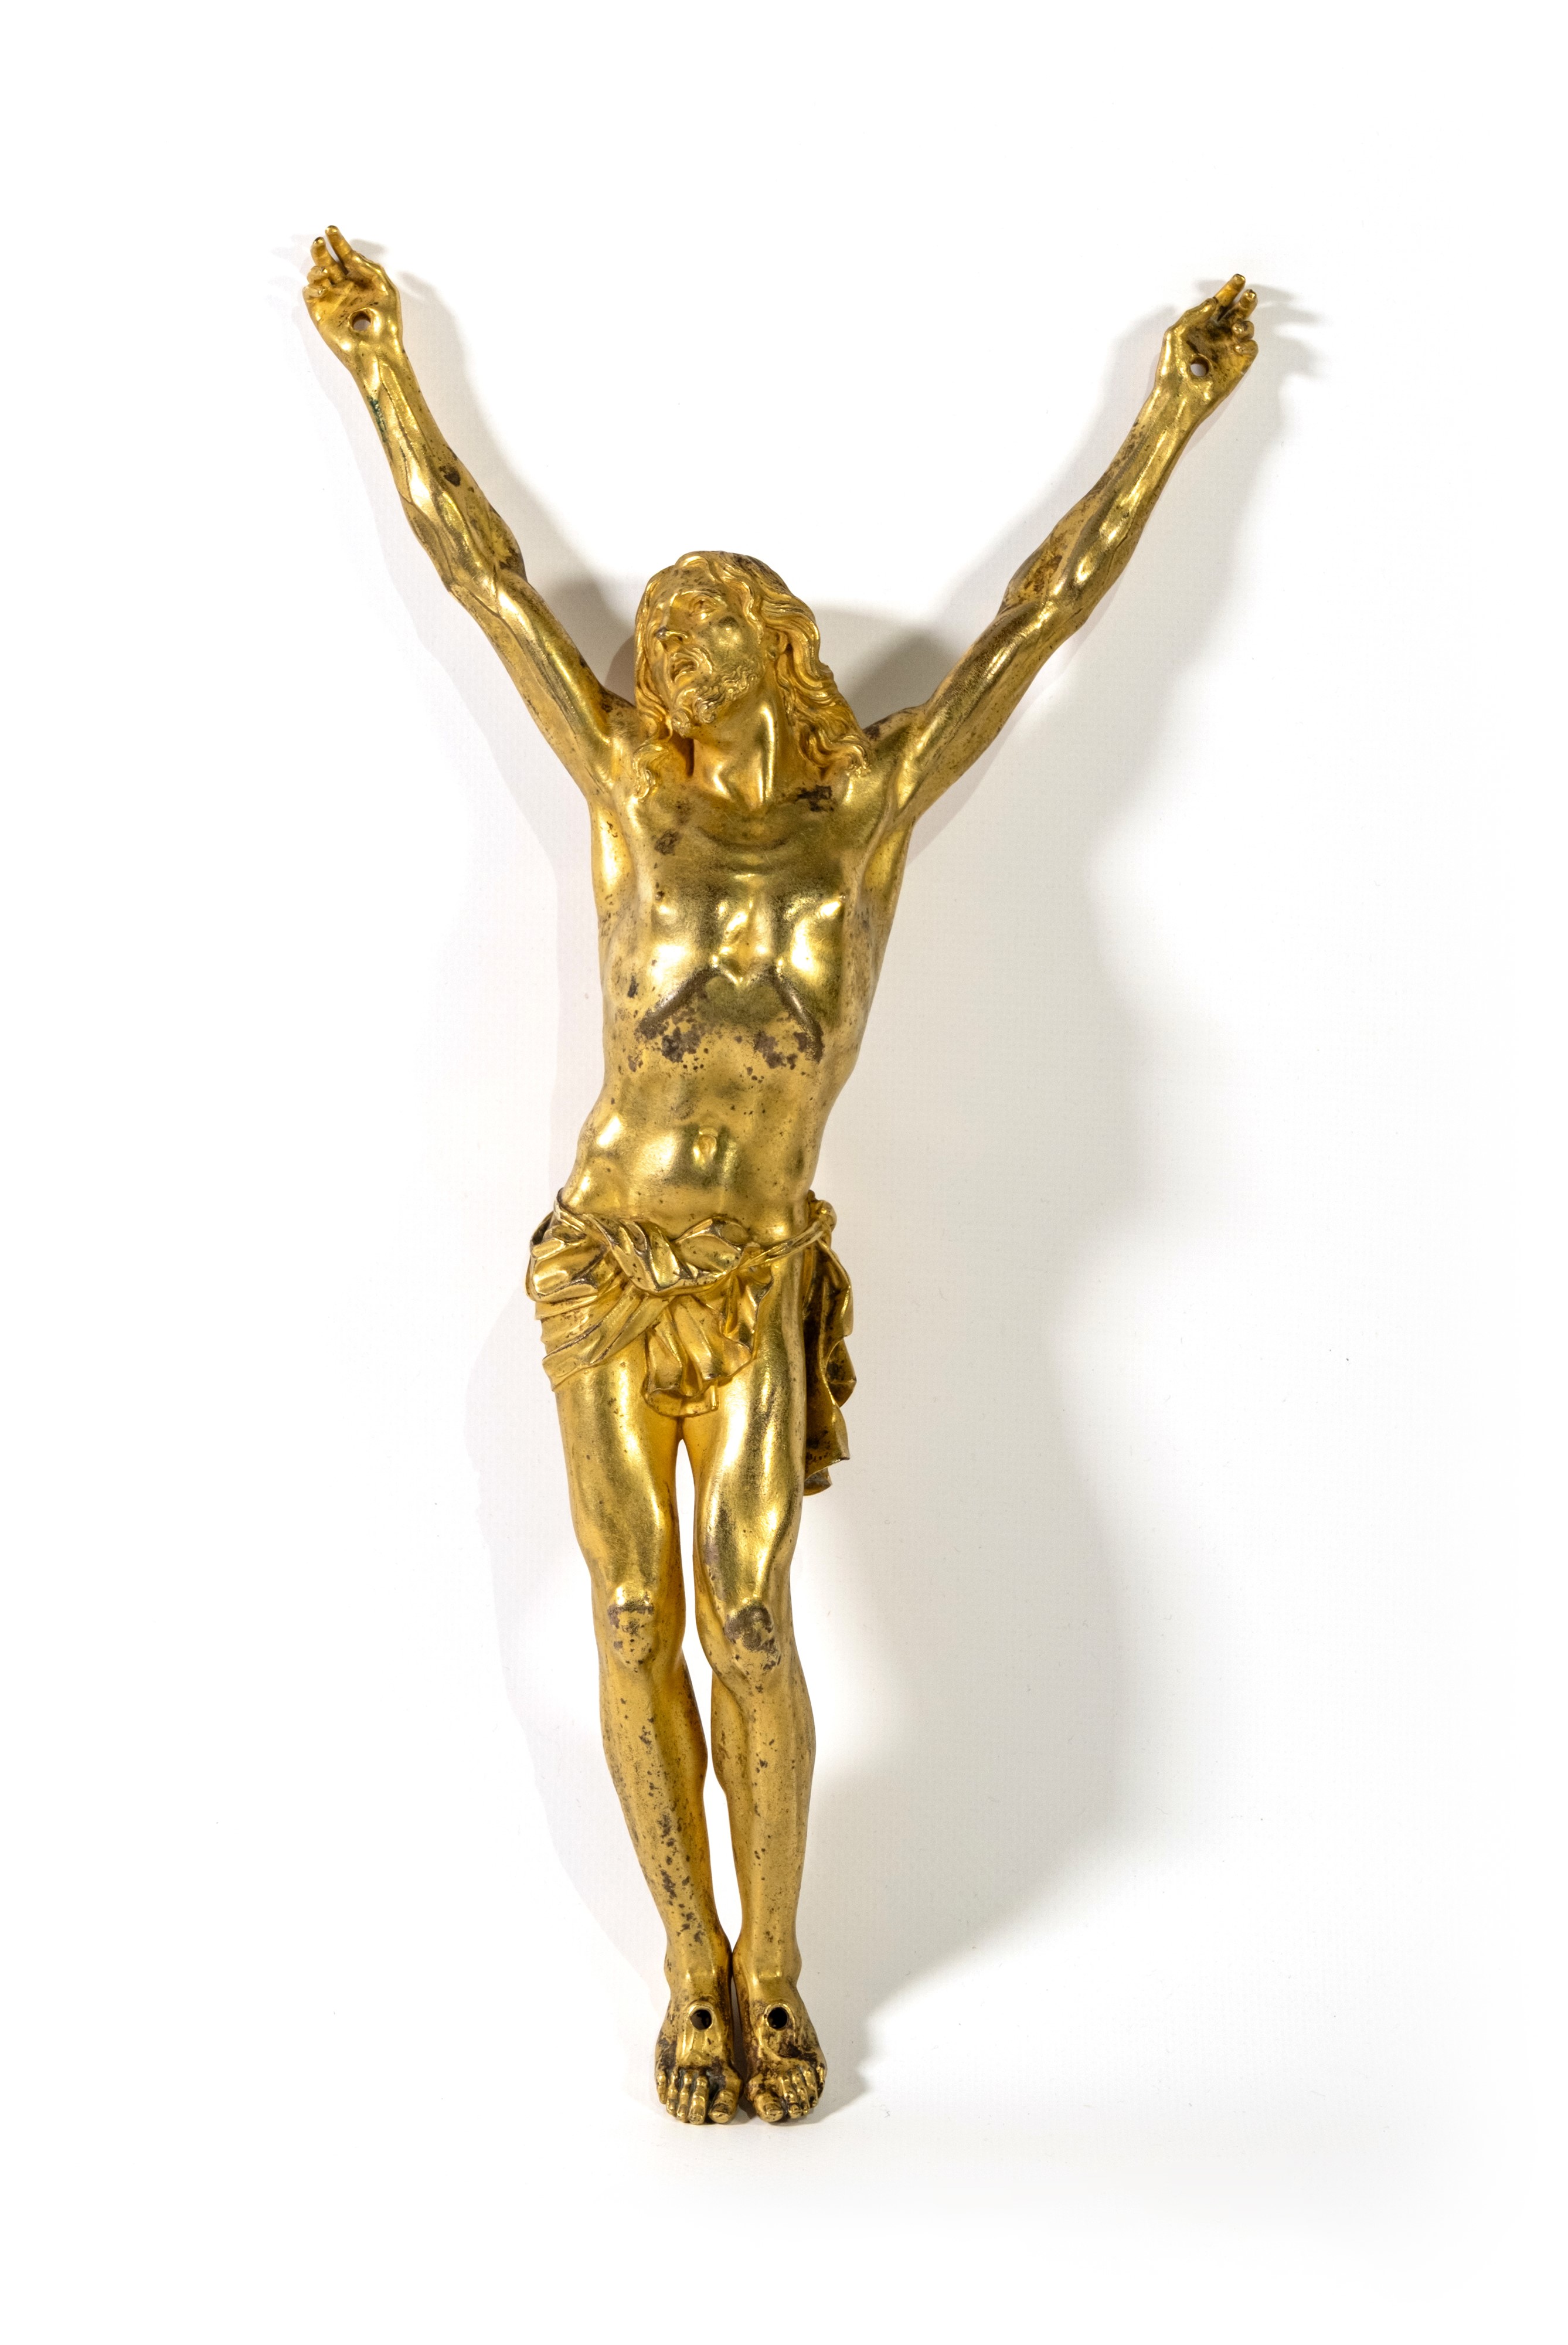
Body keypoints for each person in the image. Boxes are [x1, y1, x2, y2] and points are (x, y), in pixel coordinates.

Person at [304, 230, 1258, 2123]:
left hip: (749, 1270)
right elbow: (483, 577)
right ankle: (688, 1967)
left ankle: (779, 1965)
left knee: (746, 1621)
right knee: (628, 1616)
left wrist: (1168, 415)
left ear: (776, 647)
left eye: (705, 628)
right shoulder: (625, 797)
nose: (669, 655)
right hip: (605, 1260)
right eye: (659, 637)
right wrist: (378, 367)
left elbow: (1042, 619)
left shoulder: (869, 809)